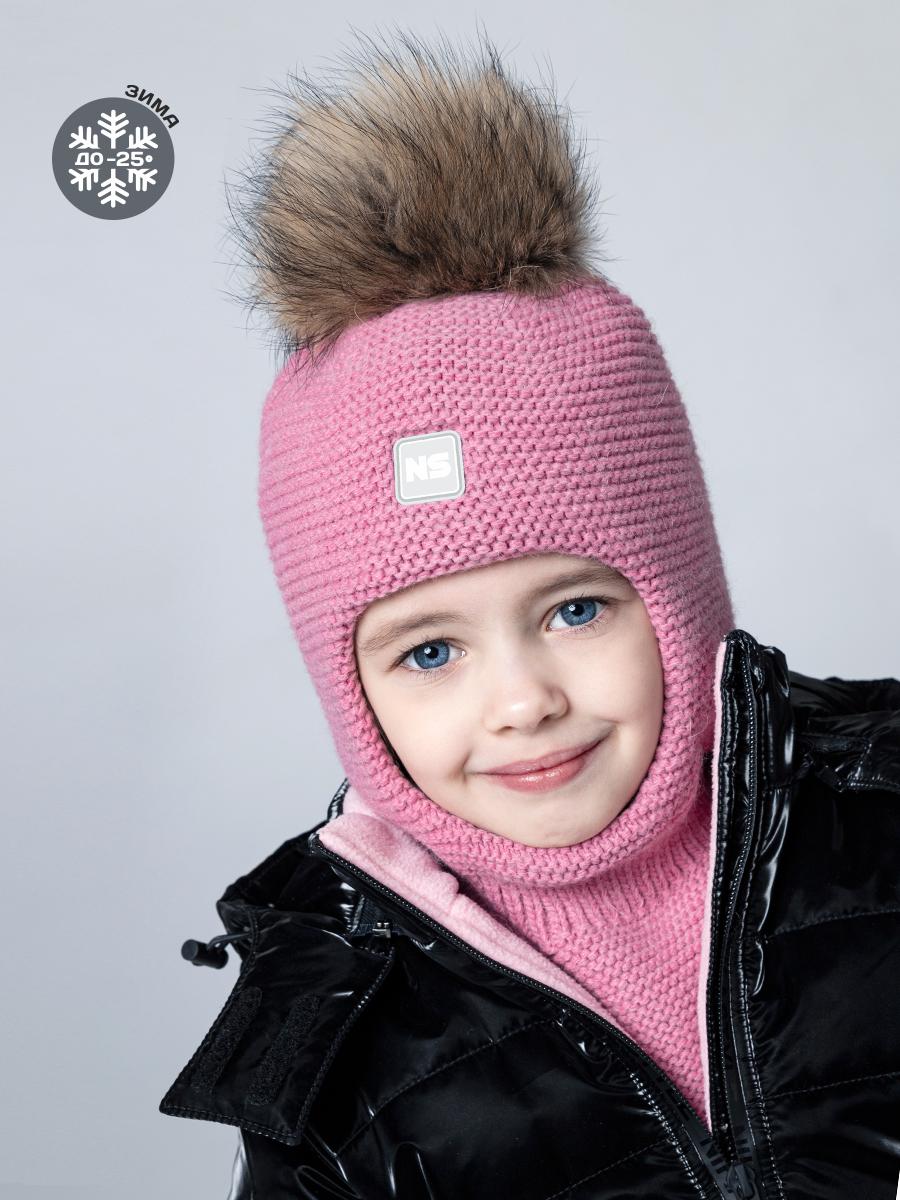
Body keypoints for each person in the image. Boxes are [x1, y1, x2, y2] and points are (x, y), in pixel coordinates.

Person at [159, 26, 900, 1199]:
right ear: (352, 694)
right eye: (430, 652)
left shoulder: (878, 821)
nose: (521, 701)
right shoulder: (331, 1039)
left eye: (574, 610)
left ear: (680, 594)